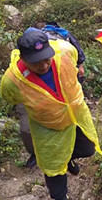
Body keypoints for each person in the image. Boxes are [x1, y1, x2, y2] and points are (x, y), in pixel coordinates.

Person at [0, 30, 102, 200]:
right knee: (53, 167)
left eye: (46, 59)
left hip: (75, 116)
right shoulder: (12, 80)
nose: (44, 65)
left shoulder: (64, 51)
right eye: (36, 62)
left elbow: (76, 58)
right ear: (23, 59)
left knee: (88, 149)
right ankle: (60, 196)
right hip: (48, 126)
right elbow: (9, 96)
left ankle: (67, 158)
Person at [18, 22, 86, 168]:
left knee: (36, 126)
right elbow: (78, 52)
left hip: (50, 91)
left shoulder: (40, 43)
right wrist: (80, 65)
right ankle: (60, 156)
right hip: (59, 88)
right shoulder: (62, 35)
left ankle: (51, 155)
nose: (42, 64)